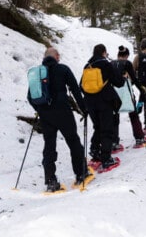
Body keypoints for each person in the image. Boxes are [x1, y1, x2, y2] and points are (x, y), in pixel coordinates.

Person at [29, 47, 90, 192]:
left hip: (46, 115)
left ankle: (50, 180)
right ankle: (81, 173)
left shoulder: (37, 73)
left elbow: (30, 96)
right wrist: (84, 109)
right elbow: (75, 90)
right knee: (73, 141)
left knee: (49, 145)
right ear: (56, 56)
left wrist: (40, 110)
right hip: (63, 112)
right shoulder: (63, 69)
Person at [81, 43, 124, 170]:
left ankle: (95, 151)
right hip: (104, 101)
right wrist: (123, 78)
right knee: (107, 129)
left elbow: (81, 86)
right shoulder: (106, 64)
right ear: (104, 52)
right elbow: (118, 82)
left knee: (98, 127)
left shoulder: (87, 66)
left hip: (90, 102)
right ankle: (106, 158)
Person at [114, 45, 146, 148]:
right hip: (126, 92)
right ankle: (139, 138)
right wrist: (141, 89)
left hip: (114, 94)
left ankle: (114, 142)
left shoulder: (111, 63)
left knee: (114, 117)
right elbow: (134, 79)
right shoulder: (127, 63)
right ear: (127, 55)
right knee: (133, 114)